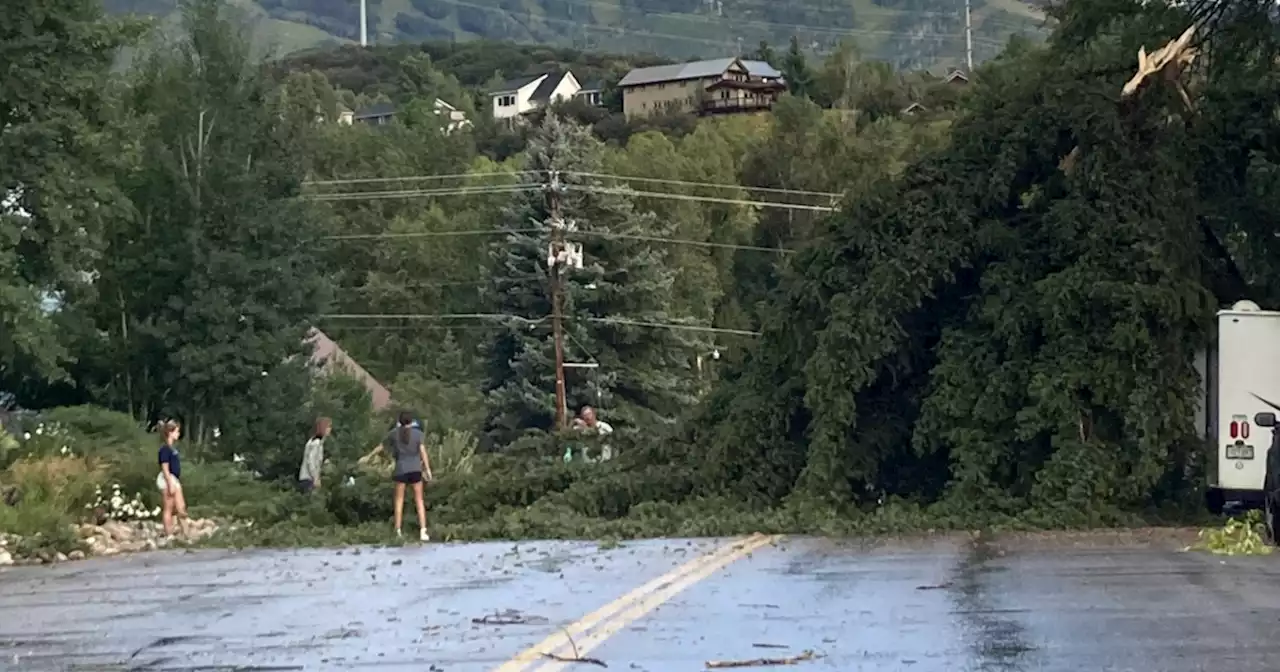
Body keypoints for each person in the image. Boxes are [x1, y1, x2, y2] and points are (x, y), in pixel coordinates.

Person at [383, 411, 433, 541]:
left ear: (399, 421)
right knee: (419, 500)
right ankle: (423, 531)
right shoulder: (418, 435)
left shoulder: (394, 434)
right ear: (412, 421)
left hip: (401, 469)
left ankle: (398, 530)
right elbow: (423, 453)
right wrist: (427, 469)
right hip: (415, 469)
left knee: (399, 501)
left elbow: (387, 447)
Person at [153, 420, 188, 537]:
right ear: (170, 432)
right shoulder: (164, 450)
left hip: (174, 478)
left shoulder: (173, 449)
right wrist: (170, 484)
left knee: (181, 507)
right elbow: (165, 468)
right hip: (167, 479)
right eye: (177, 431)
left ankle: (186, 534)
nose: (178, 434)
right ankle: (169, 535)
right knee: (168, 507)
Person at [298, 417, 332, 493]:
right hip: (309, 480)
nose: (330, 429)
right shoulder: (316, 443)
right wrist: (316, 478)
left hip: (307, 478)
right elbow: (311, 461)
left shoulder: (315, 442)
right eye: (328, 426)